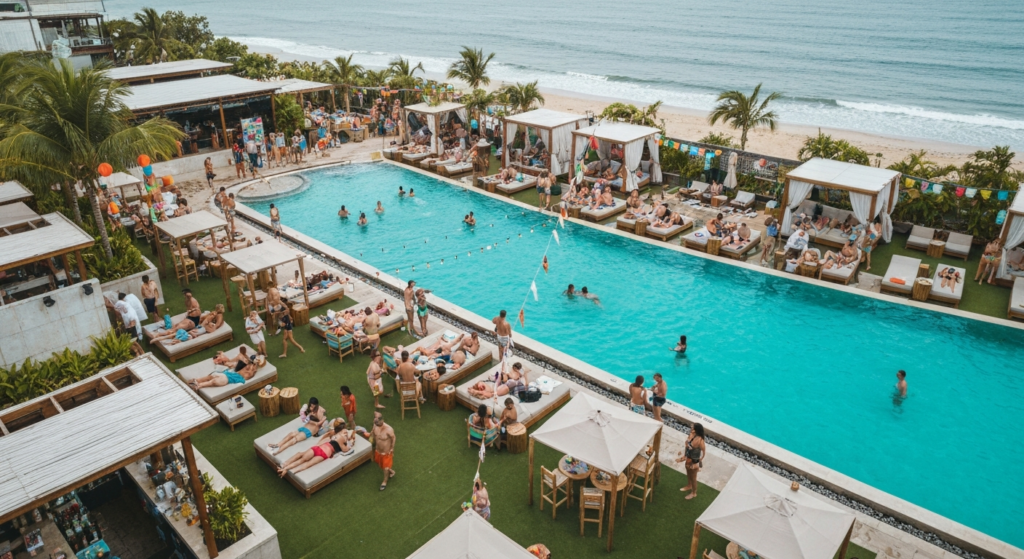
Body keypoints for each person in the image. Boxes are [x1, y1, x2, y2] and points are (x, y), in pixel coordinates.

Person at [276, 419, 354, 477]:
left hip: (320, 448)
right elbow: (346, 449)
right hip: (323, 451)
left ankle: (285, 467)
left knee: (302, 459)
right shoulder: (341, 438)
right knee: (305, 462)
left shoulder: (335, 434)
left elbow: (326, 437)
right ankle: (287, 468)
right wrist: (350, 441)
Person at [680, 423, 706, 500]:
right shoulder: (692, 435)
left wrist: (699, 461)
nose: (691, 428)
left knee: (693, 477)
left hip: (694, 461)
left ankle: (694, 493)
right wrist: (685, 455)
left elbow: (703, 452)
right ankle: (689, 485)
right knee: (688, 472)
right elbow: (687, 446)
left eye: (692, 427)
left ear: (695, 430)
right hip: (689, 458)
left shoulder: (700, 440)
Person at [371, 411, 396, 491]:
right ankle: (391, 471)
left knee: (385, 468)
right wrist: (371, 440)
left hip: (386, 452)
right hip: (378, 451)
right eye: (375, 422)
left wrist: (392, 448)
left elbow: (393, 438)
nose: (376, 424)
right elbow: (373, 434)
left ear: (382, 420)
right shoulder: (375, 425)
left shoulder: (389, 429)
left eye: (378, 423)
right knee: (380, 464)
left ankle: (385, 481)